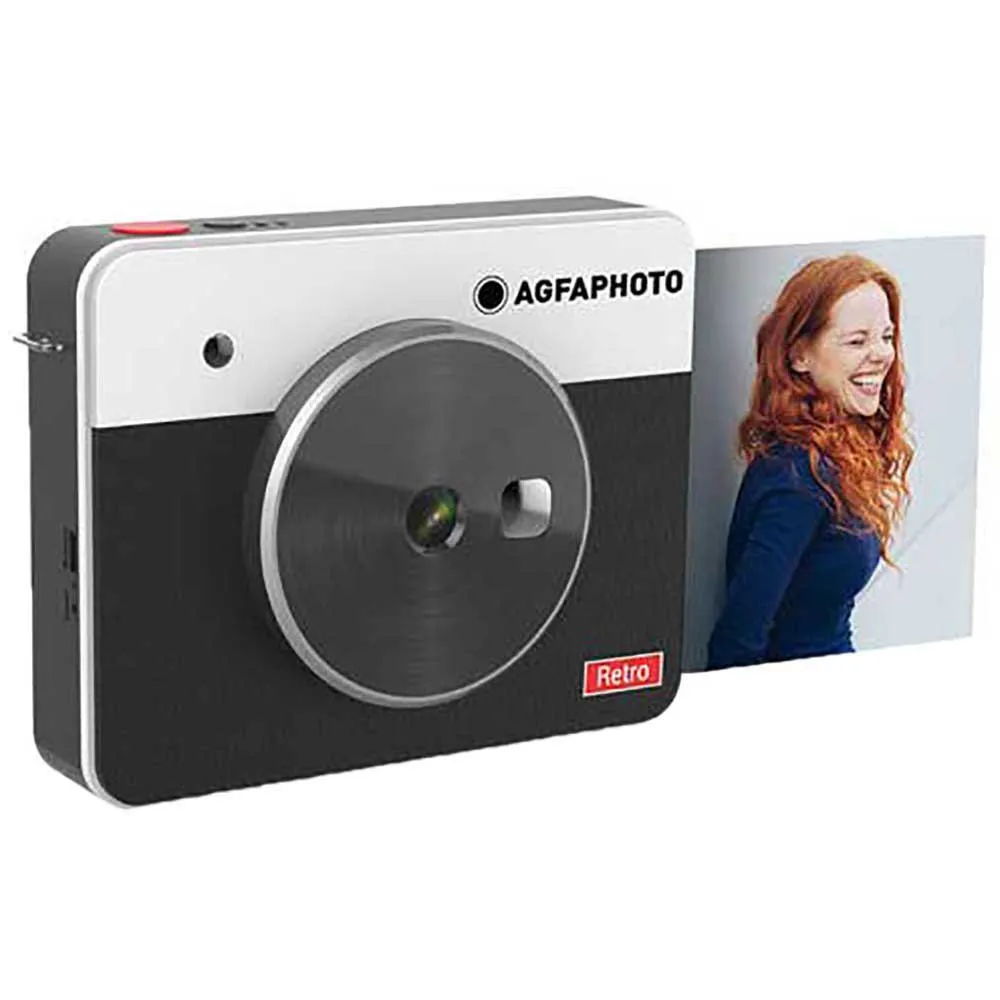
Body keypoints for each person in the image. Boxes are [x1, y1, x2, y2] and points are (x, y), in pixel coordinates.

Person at [706, 254, 913, 669]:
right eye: (857, 341)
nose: (881, 355)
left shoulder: (840, 451)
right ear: (800, 356)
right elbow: (736, 643)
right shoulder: (797, 476)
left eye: (886, 336)